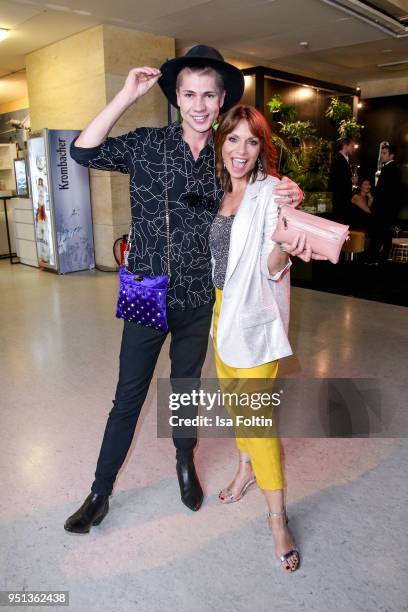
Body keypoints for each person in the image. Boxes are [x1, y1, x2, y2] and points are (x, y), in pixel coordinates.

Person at [64, 45, 303, 534]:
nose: (198, 104)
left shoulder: (227, 157)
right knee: (127, 396)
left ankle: (183, 461)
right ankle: (100, 491)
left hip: (199, 299)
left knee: (185, 390)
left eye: (208, 95)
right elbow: (82, 151)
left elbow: (265, 187)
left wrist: (290, 192)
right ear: (177, 96)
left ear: (220, 103)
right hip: (145, 292)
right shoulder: (148, 143)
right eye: (189, 94)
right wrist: (127, 94)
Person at [210, 105, 326, 571]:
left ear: (262, 148)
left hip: (252, 321)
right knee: (237, 408)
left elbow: (271, 267)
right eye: (233, 139)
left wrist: (284, 242)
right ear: (221, 143)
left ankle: (278, 519)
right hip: (219, 316)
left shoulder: (270, 194)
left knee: (258, 424)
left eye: (251, 141)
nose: (240, 150)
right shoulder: (217, 190)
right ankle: (243, 472)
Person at [368, 144, 403, 263]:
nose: (381, 156)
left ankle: (375, 261)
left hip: (383, 210)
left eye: (384, 153)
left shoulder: (390, 169)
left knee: (379, 235)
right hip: (387, 210)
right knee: (384, 235)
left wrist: (370, 190)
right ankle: (382, 260)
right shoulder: (391, 168)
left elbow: (383, 191)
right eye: (381, 153)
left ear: (391, 155)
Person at [328, 138, 355, 224]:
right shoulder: (338, 160)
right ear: (345, 146)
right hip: (339, 200)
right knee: (339, 223)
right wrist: (351, 180)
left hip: (342, 200)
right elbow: (338, 182)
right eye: (351, 146)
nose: (353, 148)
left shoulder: (343, 159)